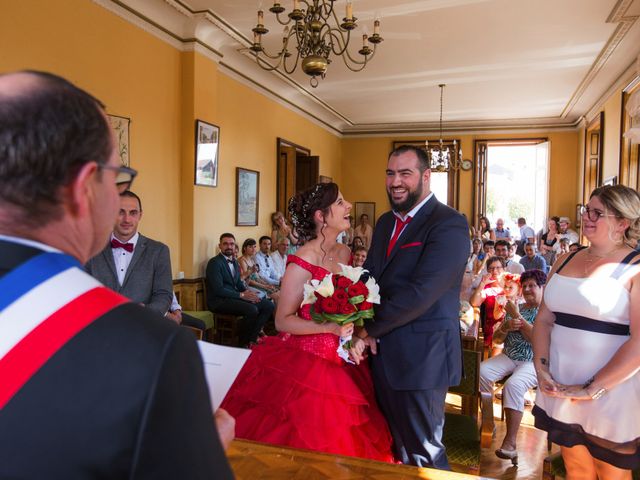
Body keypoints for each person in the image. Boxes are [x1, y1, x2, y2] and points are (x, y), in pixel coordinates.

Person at [0, 71, 233, 478]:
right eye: (116, 177)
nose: (120, 203)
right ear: (83, 187)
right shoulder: (152, 350)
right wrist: (198, 450)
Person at [221, 182, 394, 462]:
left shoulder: (345, 254)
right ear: (320, 216)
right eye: (340, 202)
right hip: (306, 366)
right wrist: (328, 328)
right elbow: (282, 321)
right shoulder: (301, 262)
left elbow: (352, 309)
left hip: (344, 364)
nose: (348, 206)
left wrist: (356, 336)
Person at [351, 145, 469, 469]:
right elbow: (370, 277)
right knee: (393, 450)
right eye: (391, 173)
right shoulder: (386, 221)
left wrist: (367, 328)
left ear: (426, 176)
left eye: (405, 173)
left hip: (423, 359)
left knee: (423, 454)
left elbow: (420, 293)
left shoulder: (449, 224)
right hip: (381, 356)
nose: (396, 182)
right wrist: (358, 315)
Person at [533, 185, 640, 477]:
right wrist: (541, 370)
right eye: (586, 210)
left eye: (597, 213)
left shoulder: (635, 268)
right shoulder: (565, 259)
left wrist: (593, 389)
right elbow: (544, 319)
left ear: (623, 222)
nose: (587, 217)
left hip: (611, 391)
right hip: (563, 383)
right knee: (576, 467)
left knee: (610, 472)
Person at [480, 269, 547, 465]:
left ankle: (510, 444)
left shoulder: (547, 312)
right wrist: (505, 327)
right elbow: (498, 340)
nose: (527, 289)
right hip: (509, 356)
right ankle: (488, 421)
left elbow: (537, 341)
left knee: (514, 385)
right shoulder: (518, 307)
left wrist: (517, 316)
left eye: (532, 285)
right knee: (481, 372)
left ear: (542, 288)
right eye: (524, 285)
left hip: (533, 361)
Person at [85, 190, 173, 315]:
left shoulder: (159, 251)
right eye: (120, 212)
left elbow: (164, 295)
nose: (127, 219)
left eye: (133, 213)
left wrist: (146, 312)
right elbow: (82, 292)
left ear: (140, 215)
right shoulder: (91, 250)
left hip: (143, 328)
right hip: (100, 327)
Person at [206, 233, 274, 347]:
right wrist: (242, 295)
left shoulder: (234, 261)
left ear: (235, 246)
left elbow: (238, 282)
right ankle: (242, 344)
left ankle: (252, 339)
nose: (229, 246)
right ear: (220, 246)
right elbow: (218, 290)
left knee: (268, 305)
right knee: (252, 309)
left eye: (231, 244)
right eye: (225, 244)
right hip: (219, 301)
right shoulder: (214, 263)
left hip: (233, 298)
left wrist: (249, 293)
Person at [470, 256, 507, 351]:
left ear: (504, 269)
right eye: (491, 268)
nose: (495, 271)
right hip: (493, 330)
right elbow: (474, 302)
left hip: (510, 326)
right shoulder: (487, 288)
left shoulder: (510, 285)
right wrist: (482, 284)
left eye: (498, 267)